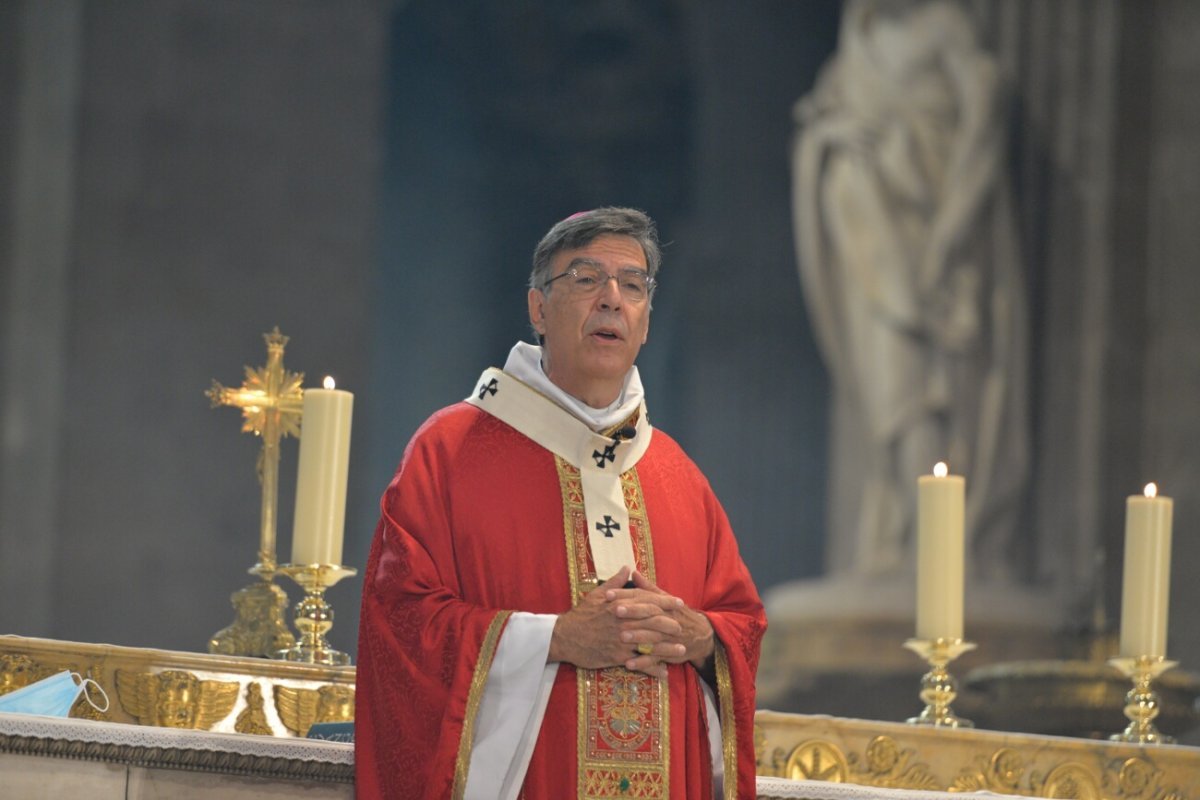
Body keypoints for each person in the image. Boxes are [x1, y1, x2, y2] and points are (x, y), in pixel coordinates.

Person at [356, 207, 765, 799]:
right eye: (585, 277)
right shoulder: (451, 450)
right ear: (538, 309)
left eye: (633, 285)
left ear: (646, 321)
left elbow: (741, 624)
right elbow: (399, 623)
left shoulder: (678, 476)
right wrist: (553, 639)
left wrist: (699, 637)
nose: (611, 299)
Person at [790, 0, 1029, 581]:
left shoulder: (943, 26)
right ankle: (900, 534)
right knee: (886, 394)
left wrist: (950, 229)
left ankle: (936, 549)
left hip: (927, 246)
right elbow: (819, 121)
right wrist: (834, 139)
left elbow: (983, 115)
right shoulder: (859, 41)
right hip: (868, 248)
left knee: (924, 389)